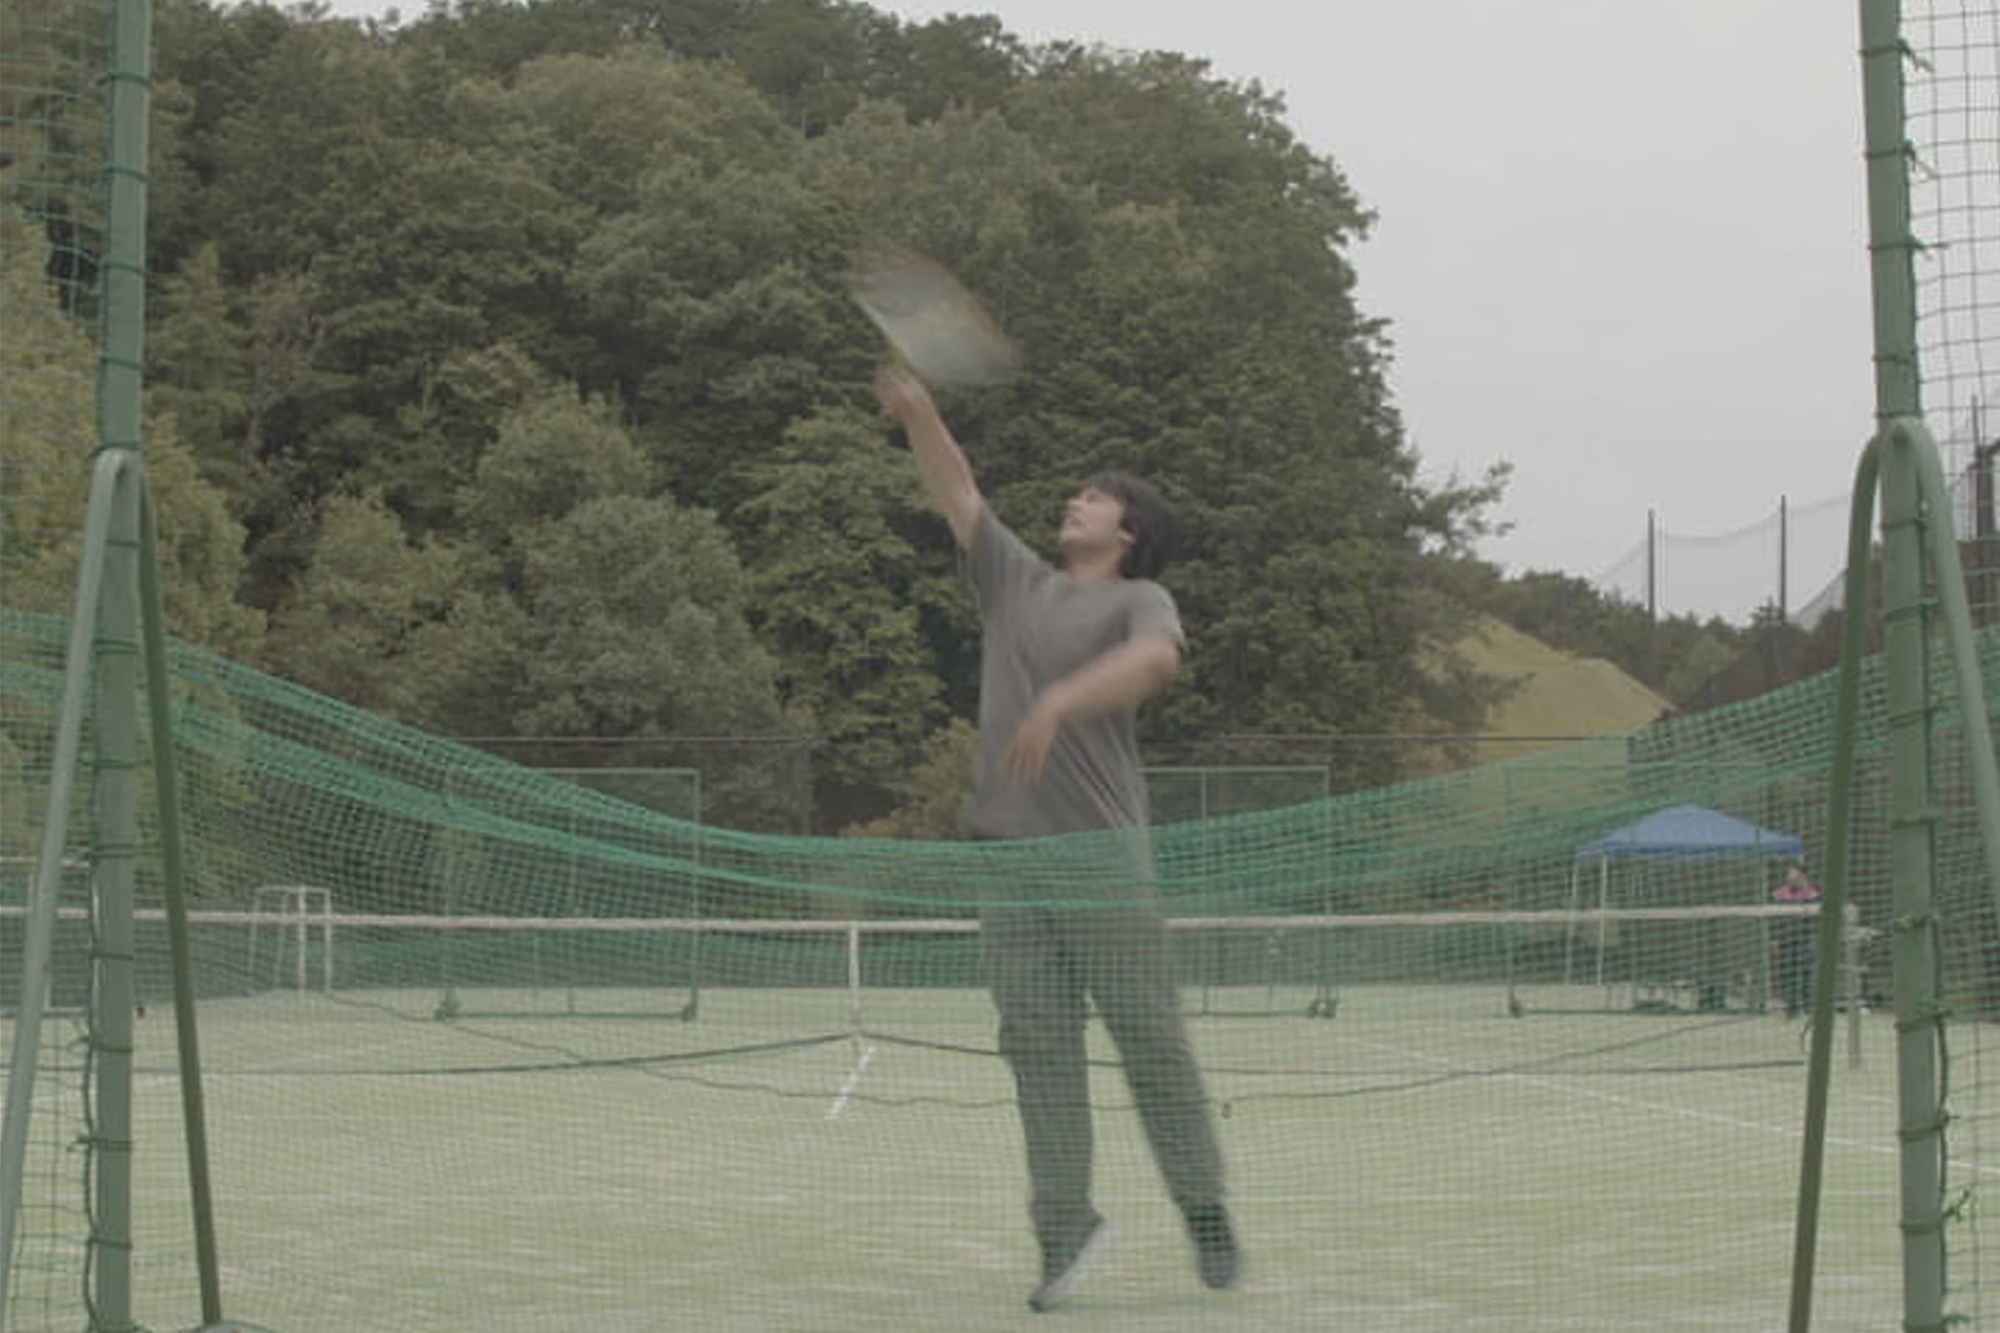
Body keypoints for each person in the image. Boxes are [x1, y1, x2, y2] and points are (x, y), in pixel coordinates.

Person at [873, 363, 1238, 1312]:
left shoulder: (1136, 601)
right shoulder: (1014, 580)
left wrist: (1058, 702)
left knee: (1149, 1038)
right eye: (1076, 494)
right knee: (1037, 1049)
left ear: (1129, 532)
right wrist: (919, 413)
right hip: (1007, 860)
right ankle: (1065, 1228)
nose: (1075, 503)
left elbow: (1155, 663)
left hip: (1102, 859)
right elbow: (958, 489)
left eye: (1094, 498)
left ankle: (1201, 1199)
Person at [1770, 862, 1821, 1019]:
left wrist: (1813, 938)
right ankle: (1791, 1008)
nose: (1790, 876)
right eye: (1789, 873)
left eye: (1793, 873)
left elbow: (1816, 920)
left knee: (1806, 974)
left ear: (1802, 876)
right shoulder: (1779, 895)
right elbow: (1773, 919)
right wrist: (1774, 938)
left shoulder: (1812, 895)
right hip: (1785, 941)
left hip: (1805, 941)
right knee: (1787, 974)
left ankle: (1809, 1008)